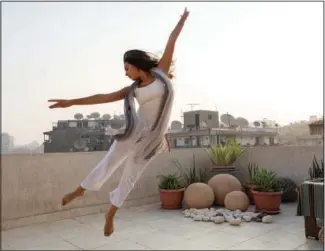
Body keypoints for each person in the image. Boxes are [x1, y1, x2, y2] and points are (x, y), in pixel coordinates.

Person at [48, 8, 189, 237]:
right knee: (109, 162)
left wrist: (181, 21)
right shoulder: (132, 89)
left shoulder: (161, 72)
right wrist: (70, 102)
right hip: (134, 130)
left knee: (130, 176)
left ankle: (111, 213)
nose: (125, 73)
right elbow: (102, 97)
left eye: (126, 68)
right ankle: (79, 191)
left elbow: (171, 40)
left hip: (153, 138)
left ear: (136, 64)